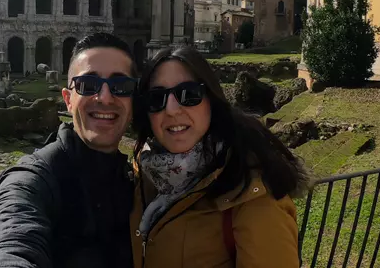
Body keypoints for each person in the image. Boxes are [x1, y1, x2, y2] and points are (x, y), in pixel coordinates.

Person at [130, 46, 308, 268]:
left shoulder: (254, 197)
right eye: (157, 98)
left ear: (211, 101)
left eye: (189, 94)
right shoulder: (143, 177)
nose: (171, 109)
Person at [0, 33, 137, 267]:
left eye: (121, 86)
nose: (104, 97)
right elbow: (13, 240)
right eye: (88, 85)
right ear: (68, 100)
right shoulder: (33, 178)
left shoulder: (138, 181)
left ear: (133, 101)